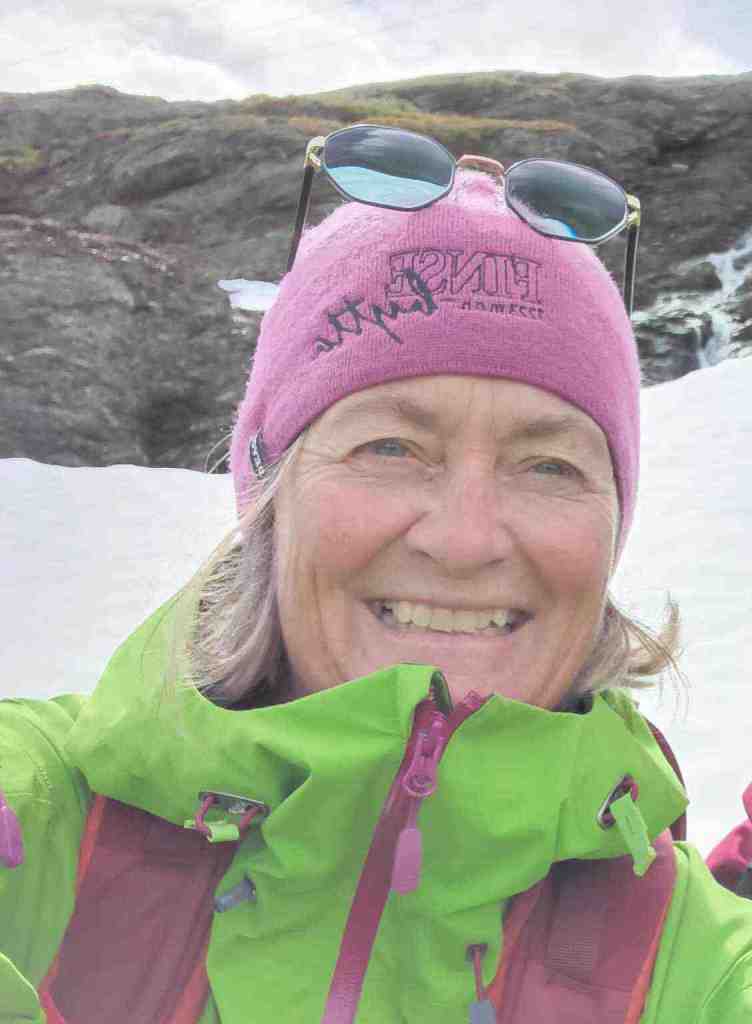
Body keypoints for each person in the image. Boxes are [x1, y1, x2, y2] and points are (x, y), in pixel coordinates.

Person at [2, 127, 752, 1024]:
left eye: (549, 465)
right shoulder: (41, 817)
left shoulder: (699, 970)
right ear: (269, 493)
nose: (465, 540)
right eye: (390, 447)